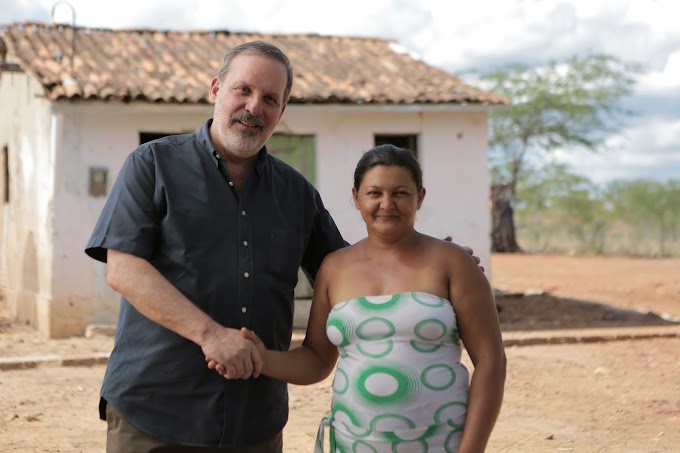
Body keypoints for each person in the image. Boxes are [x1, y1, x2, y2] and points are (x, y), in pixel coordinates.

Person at [85, 40, 483, 452]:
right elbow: (124, 268)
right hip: (155, 413)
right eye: (244, 90)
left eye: (270, 98)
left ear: (282, 110)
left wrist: (430, 261)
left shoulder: (296, 194)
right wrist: (210, 335)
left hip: (253, 421)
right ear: (216, 90)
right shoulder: (152, 165)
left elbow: (354, 270)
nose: (254, 107)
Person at [213, 144, 507, 452]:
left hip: (440, 442)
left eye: (401, 193)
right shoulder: (334, 267)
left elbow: (491, 361)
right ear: (356, 198)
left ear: (420, 197)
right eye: (375, 193)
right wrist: (261, 357)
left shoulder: (452, 262)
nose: (387, 204)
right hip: (354, 444)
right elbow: (317, 360)